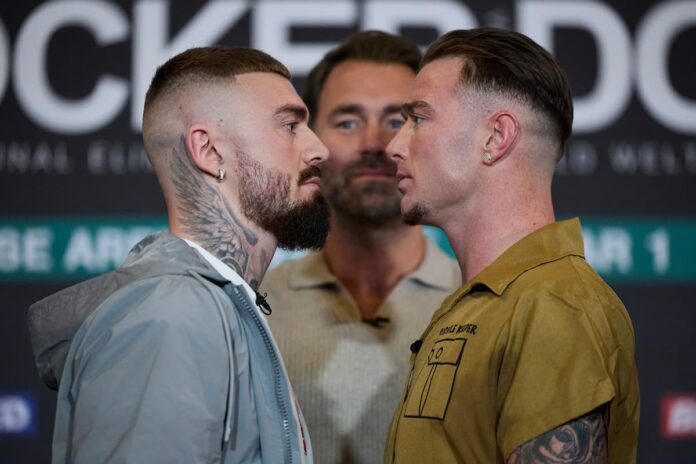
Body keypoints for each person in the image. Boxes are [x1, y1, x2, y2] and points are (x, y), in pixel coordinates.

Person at [27, 46, 330, 464]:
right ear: (208, 152)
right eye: (290, 126)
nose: (319, 149)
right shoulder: (171, 315)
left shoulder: (211, 306)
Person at [384, 28, 639, 463]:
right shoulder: (497, 301)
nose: (393, 145)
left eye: (419, 119)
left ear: (496, 138)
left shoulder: (554, 306)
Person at [260, 31, 460, 464]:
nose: (374, 143)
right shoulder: (253, 312)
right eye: (348, 122)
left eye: (399, 120)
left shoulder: (479, 304)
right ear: (309, 141)